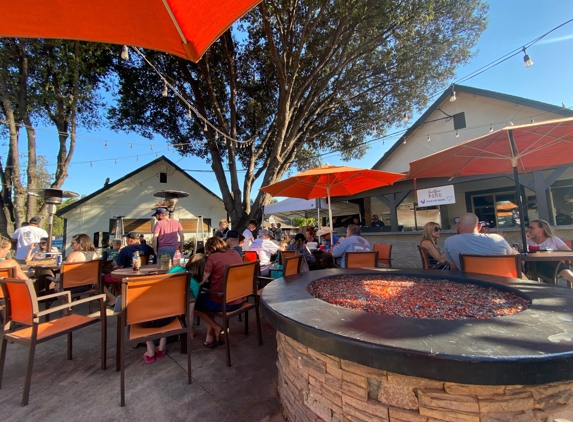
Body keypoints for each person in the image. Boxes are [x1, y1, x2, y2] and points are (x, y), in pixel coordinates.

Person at [195, 237, 243, 348]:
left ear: (209, 248)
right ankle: (210, 337)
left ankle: (216, 327)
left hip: (224, 302)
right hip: (239, 299)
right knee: (210, 298)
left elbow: (201, 281)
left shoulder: (213, 257)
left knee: (192, 303)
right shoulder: (235, 253)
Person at [444, 213, 515, 271]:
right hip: (503, 284)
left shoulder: (449, 242)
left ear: (457, 226)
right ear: (479, 227)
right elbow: (514, 257)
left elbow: (455, 268)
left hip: (471, 285)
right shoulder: (497, 238)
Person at [527, 219, 573, 285]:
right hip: (535, 265)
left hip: (551, 264)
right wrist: (526, 240)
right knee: (551, 263)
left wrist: (553, 253)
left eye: (532, 227)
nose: (529, 229)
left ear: (542, 229)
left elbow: (568, 251)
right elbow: (523, 251)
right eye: (528, 227)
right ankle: (570, 277)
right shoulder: (529, 240)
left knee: (551, 262)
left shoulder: (553, 239)